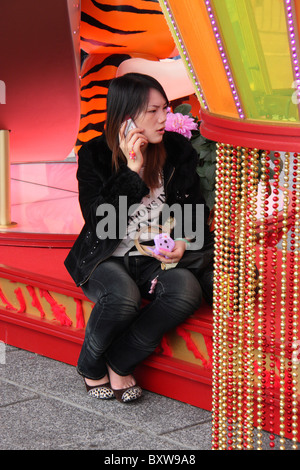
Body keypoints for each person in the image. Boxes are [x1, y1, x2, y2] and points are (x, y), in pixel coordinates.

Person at [64, 73, 214, 403]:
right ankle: (90, 364)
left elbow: (191, 204)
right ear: (127, 115)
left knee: (186, 291)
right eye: (153, 111)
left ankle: (120, 361)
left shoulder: (176, 149)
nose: (163, 118)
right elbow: (100, 223)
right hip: (105, 255)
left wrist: (183, 242)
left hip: (154, 256)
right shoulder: (94, 155)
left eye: (166, 108)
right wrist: (132, 172)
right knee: (122, 297)